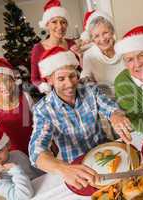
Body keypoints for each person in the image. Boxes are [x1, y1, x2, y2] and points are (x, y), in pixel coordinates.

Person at [29, 46, 132, 190]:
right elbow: (36, 151)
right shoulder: (43, 110)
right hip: (77, 167)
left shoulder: (89, 88)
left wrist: (116, 115)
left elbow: (110, 107)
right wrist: (63, 168)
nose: (70, 84)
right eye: (61, 79)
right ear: (49, 80)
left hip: (107, 152)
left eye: (72, 76)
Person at [0, 58, 34, 193]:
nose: (3, 85)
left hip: (36, 150)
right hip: (14, 159)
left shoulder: (25, 98)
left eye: (6, 80)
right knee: (27, 189)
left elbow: (36, 123)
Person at [31, 0, 80, 94]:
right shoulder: (38, 48)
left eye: (63, 22)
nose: (60, 26)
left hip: (73, 89)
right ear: (47, 25)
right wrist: (44, 87)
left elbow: (78, 70)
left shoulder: (71, 43)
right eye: (54, 22)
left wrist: (81, 56)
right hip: (52, 94)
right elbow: (34, 78)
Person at [80, 10, 125, 96]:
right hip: (106, 99)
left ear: (112, 32)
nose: (102, 39)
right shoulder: (89, 55)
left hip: (129, 94)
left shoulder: (124, 47)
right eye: (96, 36)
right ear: (92, 39)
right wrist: (85, 79)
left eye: (105, 33)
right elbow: (85, 75)